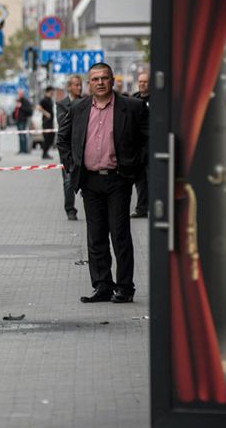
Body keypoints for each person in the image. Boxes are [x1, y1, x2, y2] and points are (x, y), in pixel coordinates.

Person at [56, 63, 148, 304]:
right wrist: (72, 165)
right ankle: (102, 286)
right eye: (95, 79)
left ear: (112, 81)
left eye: (104, 78)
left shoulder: (132, 107)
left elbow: (149, 138)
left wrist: (136, 164)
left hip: (119, 179)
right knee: (95, 236)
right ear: (89, 83)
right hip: (89, 181)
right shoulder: (79, 108)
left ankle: (125, 288)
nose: (100, 83)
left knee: (120, 235)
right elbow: (62, 138)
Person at [56, 75, 83, 221]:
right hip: (67, 148)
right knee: (68, 180)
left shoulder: (87, 101)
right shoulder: (61, 104)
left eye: (80, 85)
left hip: (83, 146)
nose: (79, 87)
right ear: (69, 87)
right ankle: (70, 210)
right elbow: (62, 123)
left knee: (86, 180)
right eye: (76, 85)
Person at [130, 71, 150, 218]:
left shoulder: (158, 99)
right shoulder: (133, 100)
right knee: (140, 179)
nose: (142, 84)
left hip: (152, 146)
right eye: (140, 81)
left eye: (145, 81)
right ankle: (141, 208)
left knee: (153, 178)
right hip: (137, 148)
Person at [37, 86, 56, 159]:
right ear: (49, 91)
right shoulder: (44, 99)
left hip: (50, 122)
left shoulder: (50, 99)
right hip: (46, 121)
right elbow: (38, 107)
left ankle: (46, 152)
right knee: (47, 137)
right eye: (52, 91)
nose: (53, 93)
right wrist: (46, 113)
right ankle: (44, 153)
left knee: (51, 136)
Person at [12, 89, 33, 154]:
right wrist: (13, 116)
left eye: (20, 94)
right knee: (20, 135)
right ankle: (21, 149)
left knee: (23, 135)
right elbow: (15, 111)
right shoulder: (18, 101)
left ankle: (24, 150)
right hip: (18, 120)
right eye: (18, 94)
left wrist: (21, 107)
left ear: (22, 94)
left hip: (23, 120)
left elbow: (29, 111)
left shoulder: (25, 102)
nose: (19, 95)